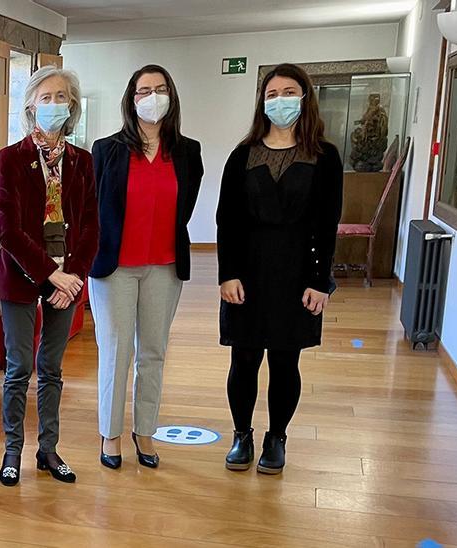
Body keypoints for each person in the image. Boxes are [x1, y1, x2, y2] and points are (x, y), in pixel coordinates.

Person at [217, 63, 342, 475]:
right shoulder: (242, 155)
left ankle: (276, 437)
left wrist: (320, 281)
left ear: (304, 97)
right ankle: (242, 435)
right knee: (245, 358)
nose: (280, 100)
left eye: (289, 92)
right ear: (262, 101)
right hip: (248, 273)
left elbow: (327, 225)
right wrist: (227, 273)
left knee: (286, 361)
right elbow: (226, 220)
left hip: (297, 272)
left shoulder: (325, 156)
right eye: (272, 94)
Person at [0, 66, 98, 486]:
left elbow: (91, 225)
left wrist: (73, 276)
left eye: (62, 97)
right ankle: (12, 450)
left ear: (72, 107)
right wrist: (52, 275)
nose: (54, 104)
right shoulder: (11, 159)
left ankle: (48, 449)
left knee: (51, 369)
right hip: (21, 276)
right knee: (18, 369)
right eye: (46, 97)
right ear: (31, 104)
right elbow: (8, 230)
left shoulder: (82, 161)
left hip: (66, 279)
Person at [89, 64, 203, 470]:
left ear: (171, 96)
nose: (151, 97)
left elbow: (184, 208)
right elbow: (94, 209)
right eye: (143, 90)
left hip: (165, 267)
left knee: (153, 353)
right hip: (115, 267)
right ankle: (111, 434)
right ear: (131, 99)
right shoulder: (107, 149)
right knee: (115, 353)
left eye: (159, 89)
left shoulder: (188, 151)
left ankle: (146, 433)